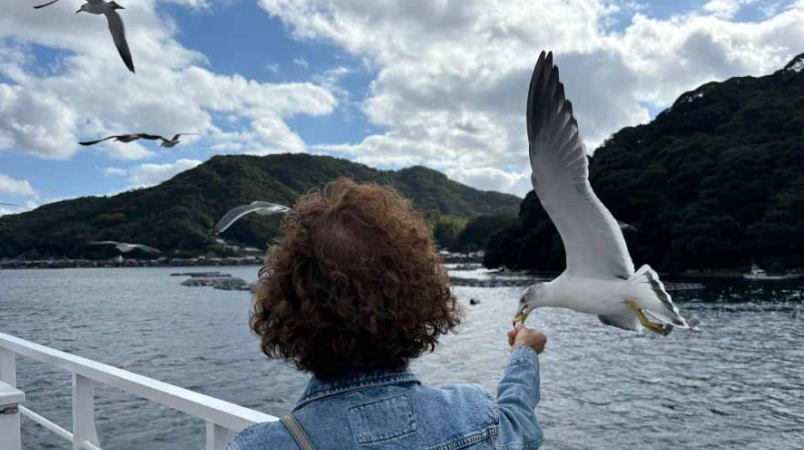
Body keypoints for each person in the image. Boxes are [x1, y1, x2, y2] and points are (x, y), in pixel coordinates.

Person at [227, 178, 546, 450]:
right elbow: (518, 425)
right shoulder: (473, 416)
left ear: (288, 313)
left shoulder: (261, 444)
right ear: (420, 299)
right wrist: (524, 354)